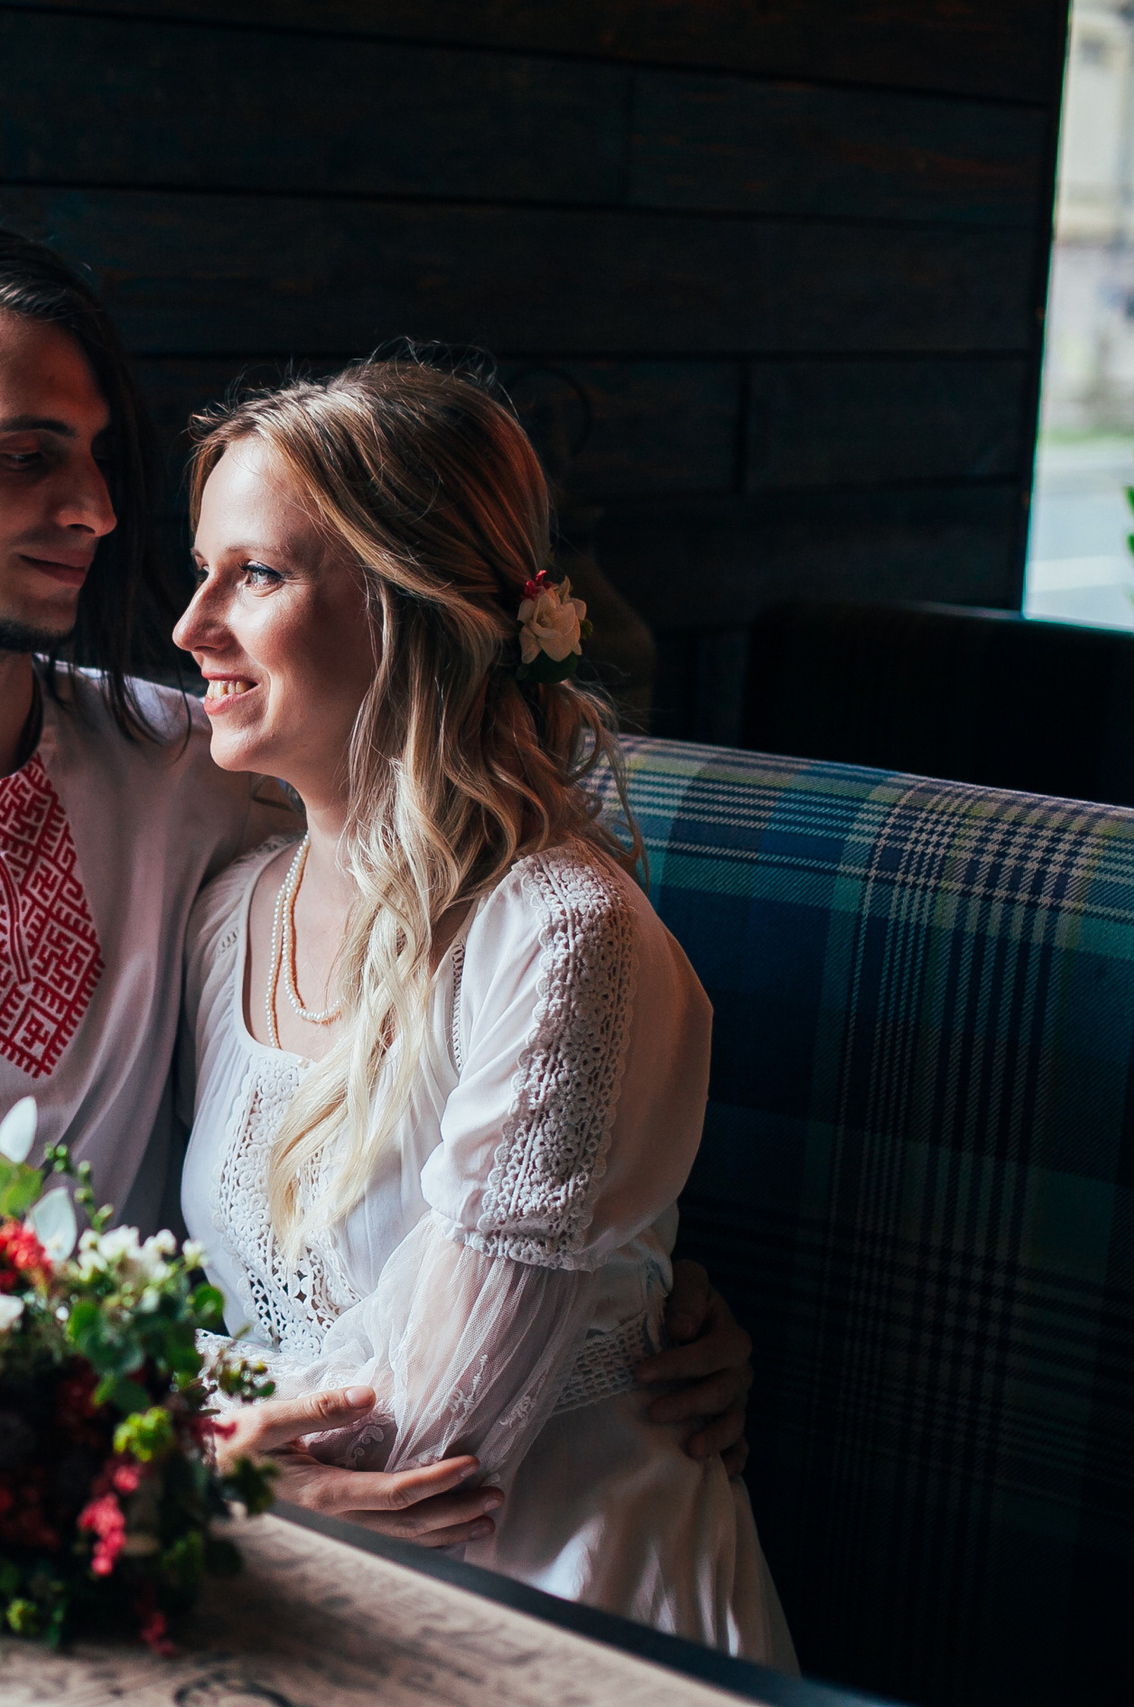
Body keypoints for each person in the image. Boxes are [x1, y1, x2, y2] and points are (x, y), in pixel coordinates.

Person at [0, 219, 756, 1556]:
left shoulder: (198, 765)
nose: (97, 510)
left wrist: (625, 1289)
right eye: (27, 454)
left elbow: (463, 871)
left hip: (351, 1490)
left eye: (99, 456)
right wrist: (181, 1476)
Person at [179, 359, 793, 1664]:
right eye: (202, 571)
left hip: (551, 1594)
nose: (192, 626)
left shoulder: (561, 936)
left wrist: (177, 1471)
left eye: (257, 575)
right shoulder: (228, 911)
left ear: (411, 610)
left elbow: (429, 1452)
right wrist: (194, 1474)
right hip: (274, 1558)